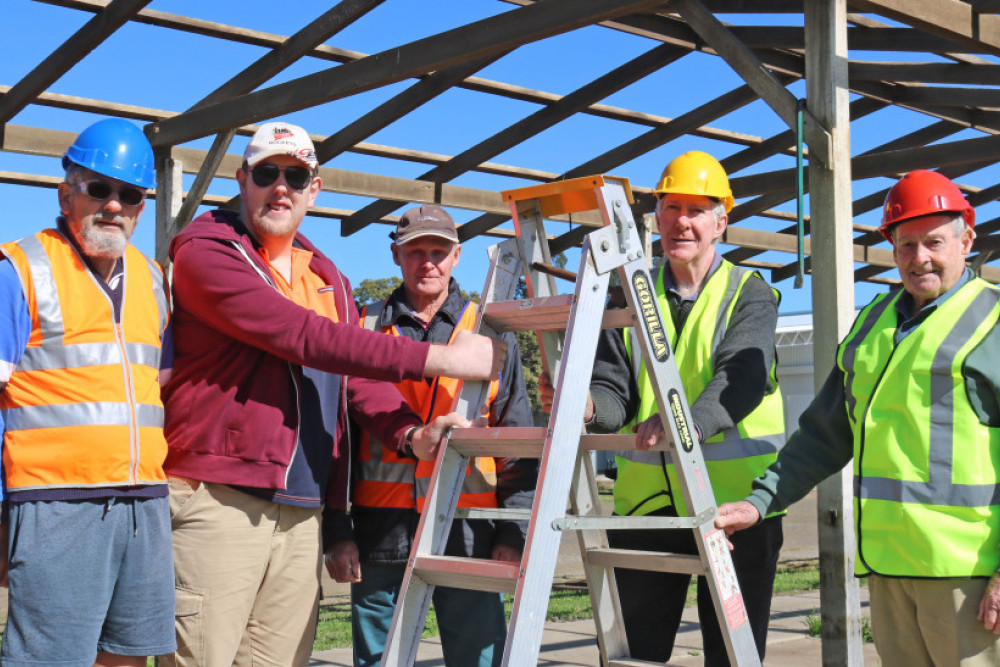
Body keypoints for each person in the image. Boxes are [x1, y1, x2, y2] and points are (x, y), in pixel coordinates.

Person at [159, 123, 506, 666]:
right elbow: (301, 335)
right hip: (218, 498)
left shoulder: (326, 275)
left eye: (295, 175)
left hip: (301, 510)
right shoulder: (207, 251)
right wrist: (440, 357)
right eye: (267, 173)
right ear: (241, 179)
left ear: (314, 189)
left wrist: (410, 434)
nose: (281, 187)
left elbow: (357, 381)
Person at [716, 169, 1000, 666]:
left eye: (934, 242)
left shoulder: (993, 321)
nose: (919, 258)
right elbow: (825, 432)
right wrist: (761, 500)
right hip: (888, 571)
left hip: (970, 580)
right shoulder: (874, 322)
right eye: (905, 244)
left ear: (966, 239)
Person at [542, 151, 785, 664]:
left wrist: (682, 424)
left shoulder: (750, 294)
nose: (682, 221)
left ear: (722, 221)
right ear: (657, 216)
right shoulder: (627, 294)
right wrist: (585, 407)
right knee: (638, 655)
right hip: (648, 509)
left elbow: (740, 382)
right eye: (672, 207)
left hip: (736, 509)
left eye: (697, 210)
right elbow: (615, 394)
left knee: (733, 655)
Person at [324, 205, 536, 667]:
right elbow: (336, 441)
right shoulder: (363, 326)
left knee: (478, 659)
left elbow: (517, 439)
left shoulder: (490, 332)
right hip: (379, 535)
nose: (428, 262)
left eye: (439, 251)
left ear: (457, 256)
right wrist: (337, 531)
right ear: (396, 255)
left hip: (470, 535)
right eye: (415, 251)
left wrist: (512, 530)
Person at [0, 118, 175, 665]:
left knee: (129, 654)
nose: (115, 205)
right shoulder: (20, 269)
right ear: (65, 193)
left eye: (130, 194)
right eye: (99, 189)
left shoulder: (153, 280)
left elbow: (157, 385)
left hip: (144, 500)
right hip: (53, 503)